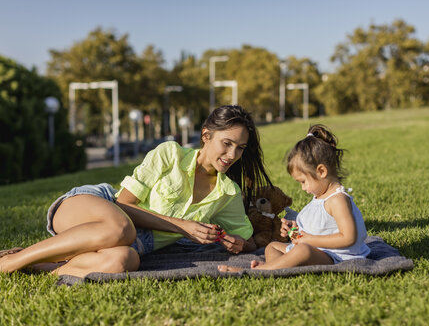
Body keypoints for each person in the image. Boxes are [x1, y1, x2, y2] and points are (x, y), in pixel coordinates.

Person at [0, 105, 272, 277]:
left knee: (125, 260)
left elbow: (247, 239)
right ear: (206, 136)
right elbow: (122, 203)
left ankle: (46, 267)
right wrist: (182, 227)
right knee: (121, 229)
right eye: (227, 143)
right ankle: (13, 262)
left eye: (240, 148)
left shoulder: (228, 193)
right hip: (97, 207)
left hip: (131, 244)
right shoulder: (171, 154)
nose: (232, 154)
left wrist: (240, 244)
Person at [218, 124, 370, 272]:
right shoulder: (321, 195)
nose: (303, 188)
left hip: (337, 256)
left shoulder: (337, 200)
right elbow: (321, 226)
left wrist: (308, 240)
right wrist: (294, 229)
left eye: (303, 181)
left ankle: (262, 271)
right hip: (316, 248)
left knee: (303, 250)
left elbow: (348, 238)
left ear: (321, 171)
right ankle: (277, 268)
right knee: (272, 246)